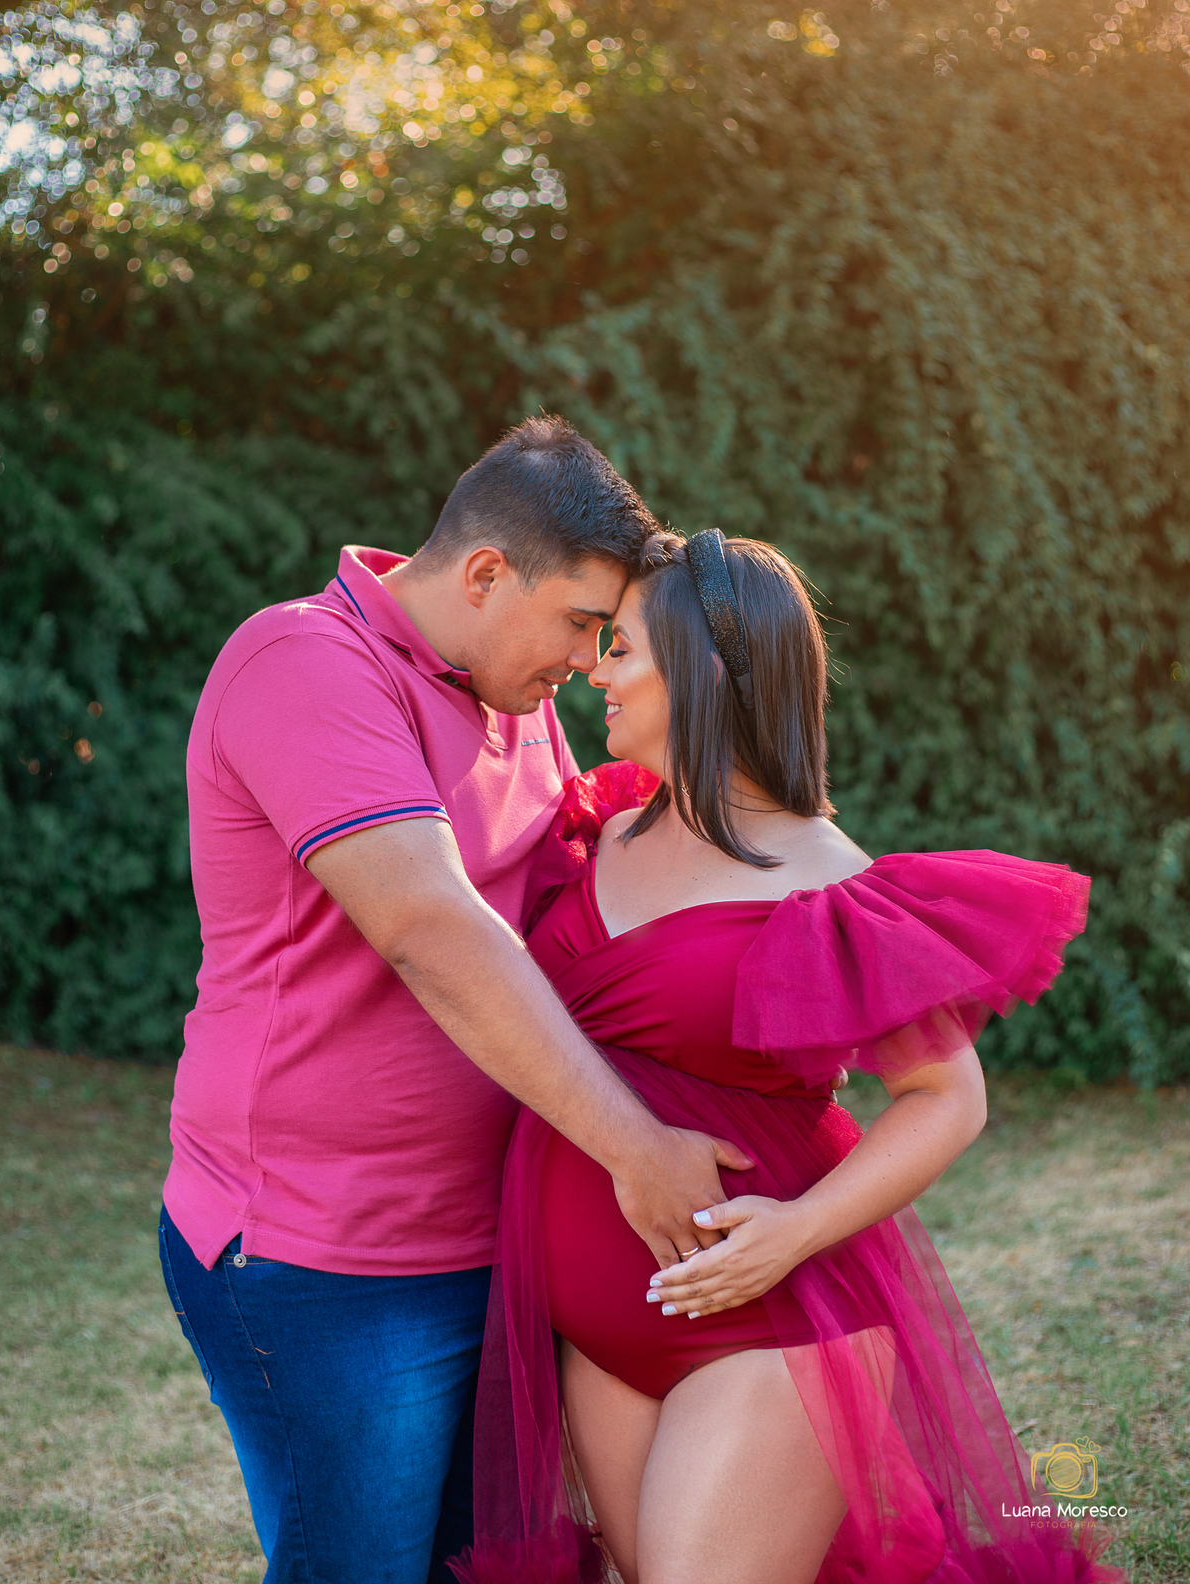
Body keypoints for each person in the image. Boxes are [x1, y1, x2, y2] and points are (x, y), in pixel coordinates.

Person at [452, 531, 1127, 1584]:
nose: (595, 671)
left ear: (702, 671)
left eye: (621, 648)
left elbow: (946, 1096)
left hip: (766, 1326)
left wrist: (794, 1233)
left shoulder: (825, 883)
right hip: (596, 1335)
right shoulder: (601, 830)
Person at [157, 422, 752, 1584]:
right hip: (323, 1261)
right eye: (580, 623)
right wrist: (636, 1147)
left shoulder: (512, 691)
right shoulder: (302, 661)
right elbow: (432, 927)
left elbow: (581, 893)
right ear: (485, 574)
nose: (588, 660)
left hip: (494, 1239)